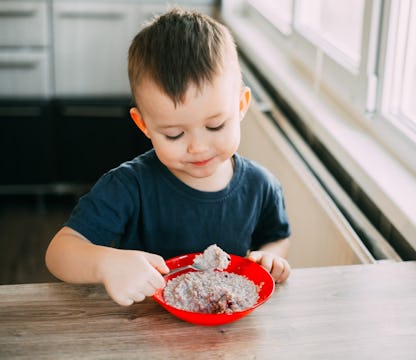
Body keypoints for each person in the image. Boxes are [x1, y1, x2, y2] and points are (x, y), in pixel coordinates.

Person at [45, 7, 291, 307]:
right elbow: (59, 252)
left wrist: (271, 258)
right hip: (144, 329)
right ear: (144, 125)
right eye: (174, 134)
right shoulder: (127, 186)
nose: (198, 148)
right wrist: (106, 263)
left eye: (215, 125)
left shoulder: (261, 186)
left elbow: (276, 237)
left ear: (241, 105)